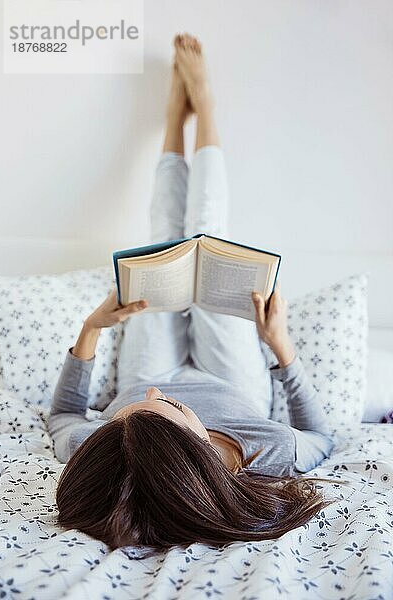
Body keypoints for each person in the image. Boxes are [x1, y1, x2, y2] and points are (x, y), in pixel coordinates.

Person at [48, 33, 335, 553]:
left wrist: (91, 329)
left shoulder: (110, 449)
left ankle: (172, 121)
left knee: (162, 239)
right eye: (167, 408)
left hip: (146, 361)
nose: (153, 395)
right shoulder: (263, 452)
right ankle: (205, 108)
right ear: (193, 448)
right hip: (236, 382)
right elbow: (321, 437)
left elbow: (65, 418)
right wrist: (279, 345)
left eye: (132, 412)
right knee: (205, 233)